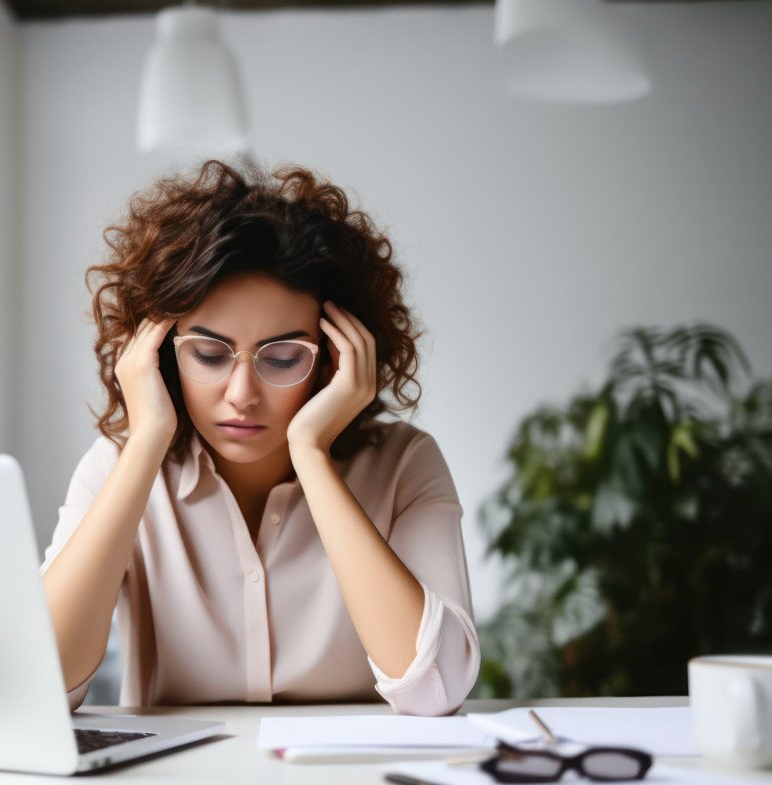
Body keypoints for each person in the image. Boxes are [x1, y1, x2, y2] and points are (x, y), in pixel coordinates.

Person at [40, 159, 479, 716]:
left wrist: (312, 456)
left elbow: (434, 689)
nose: (242, 393)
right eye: (207, 354)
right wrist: (147, 438)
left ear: (337, 360)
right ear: (159, 355)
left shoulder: (405, 465)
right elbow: (42, 687)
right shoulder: (117, 468)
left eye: (283, 357)